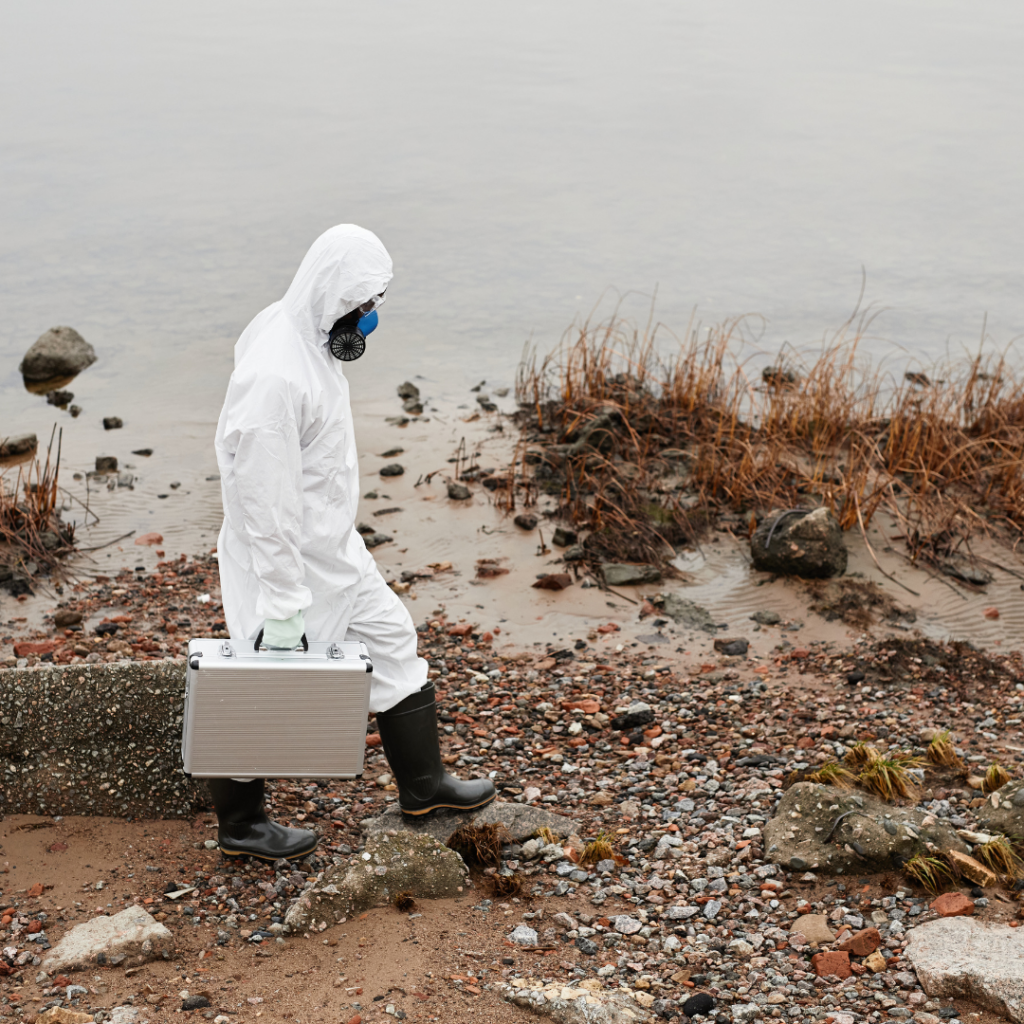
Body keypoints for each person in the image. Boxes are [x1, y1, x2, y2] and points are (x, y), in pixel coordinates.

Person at [210, 224, 496, 861]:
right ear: (332, 293)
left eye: (375, 304)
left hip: (334, 548)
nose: (369, 318)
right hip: (286, 564)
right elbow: (263, 502)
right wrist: (283, 601)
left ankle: (424, 787)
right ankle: (242, 825)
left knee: (392, 638)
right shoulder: (275, 376)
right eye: (363, 305)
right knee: (262, 687)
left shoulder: (309, 338)